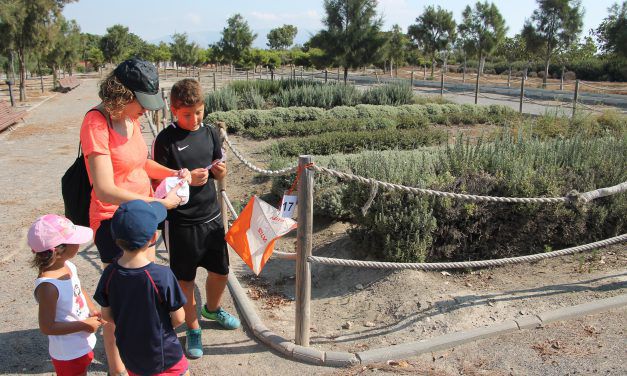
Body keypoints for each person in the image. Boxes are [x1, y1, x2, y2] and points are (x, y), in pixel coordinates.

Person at [80, 57, 190, 375]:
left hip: (144, 215)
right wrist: (156, 205)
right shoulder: (96, 123)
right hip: (117, 223)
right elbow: (104, 188)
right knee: (121, 302)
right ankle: (117, 366)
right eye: (141, 103)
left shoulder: (130, 120)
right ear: (123, 95)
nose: (145, 110)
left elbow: (141, 164)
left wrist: (174, 174)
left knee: (142, 297)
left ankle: (143, 355)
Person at [152, 78, 240, 359]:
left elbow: (220, 169)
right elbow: (158, 183)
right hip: (180, 223)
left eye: (199, 112)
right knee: (185, 282)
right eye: (187, 114)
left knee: (221, 272)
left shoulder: (212, 133)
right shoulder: (165, 140)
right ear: (173, 109)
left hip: (211, 217)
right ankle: (192, 328)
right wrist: (188, 180)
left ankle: (211, 310)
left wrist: (219, 172)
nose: (194, 119)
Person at [93, 200, 189, 376]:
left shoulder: (109, 274)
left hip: (130, 354)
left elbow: (107, 316)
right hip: (164, 353)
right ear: (153, 238)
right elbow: (179, 318)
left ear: (116, 239)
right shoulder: (162, 275)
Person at [29, 215, 102, 376]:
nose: (79, 243)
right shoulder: (48, 287)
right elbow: (47, 326)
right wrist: (84, 325)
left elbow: (78, 288)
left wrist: (91, 309)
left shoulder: (67, 265)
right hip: (68, 353)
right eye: (74, 240)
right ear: (58, 250)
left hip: (80, 342)